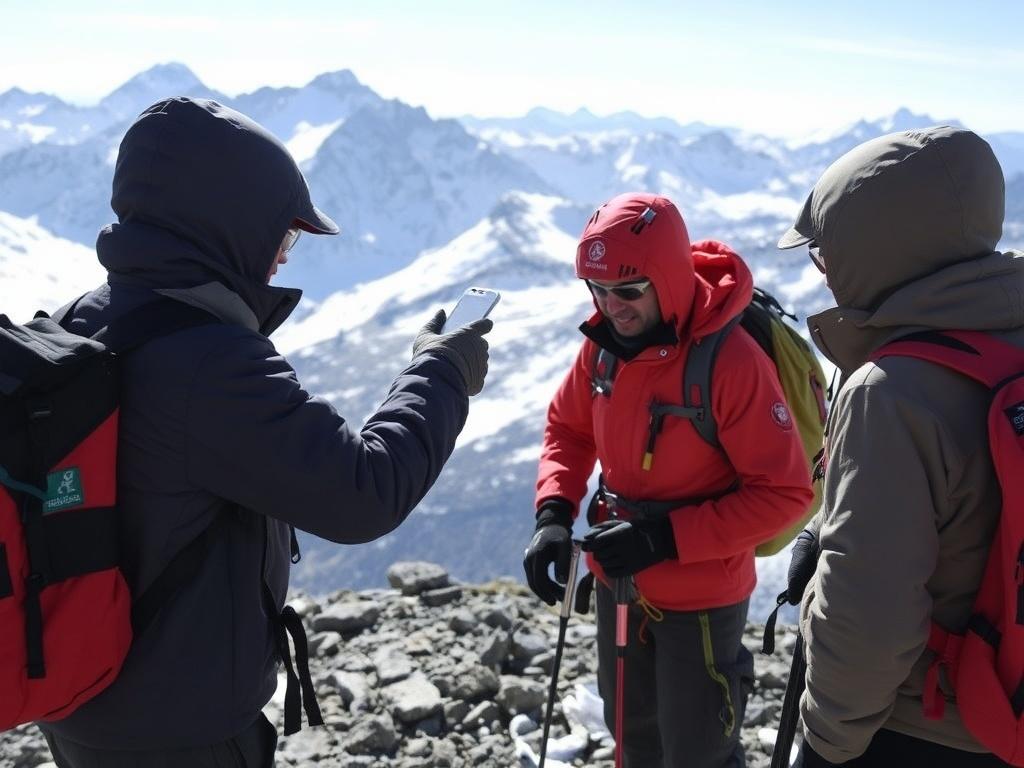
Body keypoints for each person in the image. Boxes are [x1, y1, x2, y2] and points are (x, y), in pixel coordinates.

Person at [37, 97, 492, 767]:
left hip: (82, 700)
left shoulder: (84, 318)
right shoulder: (209, 362)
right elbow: (363, 490)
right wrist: (441, 372)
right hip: (179, 729)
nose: (284, 255)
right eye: (283, 233)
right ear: (227, 224)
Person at [524, 192, 814, 767]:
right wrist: (553, 512)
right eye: (597, 290)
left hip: (701, 599)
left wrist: (663, 540)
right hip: (620, 581)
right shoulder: (604, 349)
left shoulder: (730, 363)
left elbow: (785, 494)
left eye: (628, 290)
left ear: (670, 279)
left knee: (699, 750)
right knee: (631, 737)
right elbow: (568, 428)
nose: (611, 306)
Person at [778, 125, 1024, 767]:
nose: (824, 271)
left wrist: (824, 741)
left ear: (877, 251)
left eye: (826, 252)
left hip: (924, 726)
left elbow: (870, 613)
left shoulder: (890, 392)